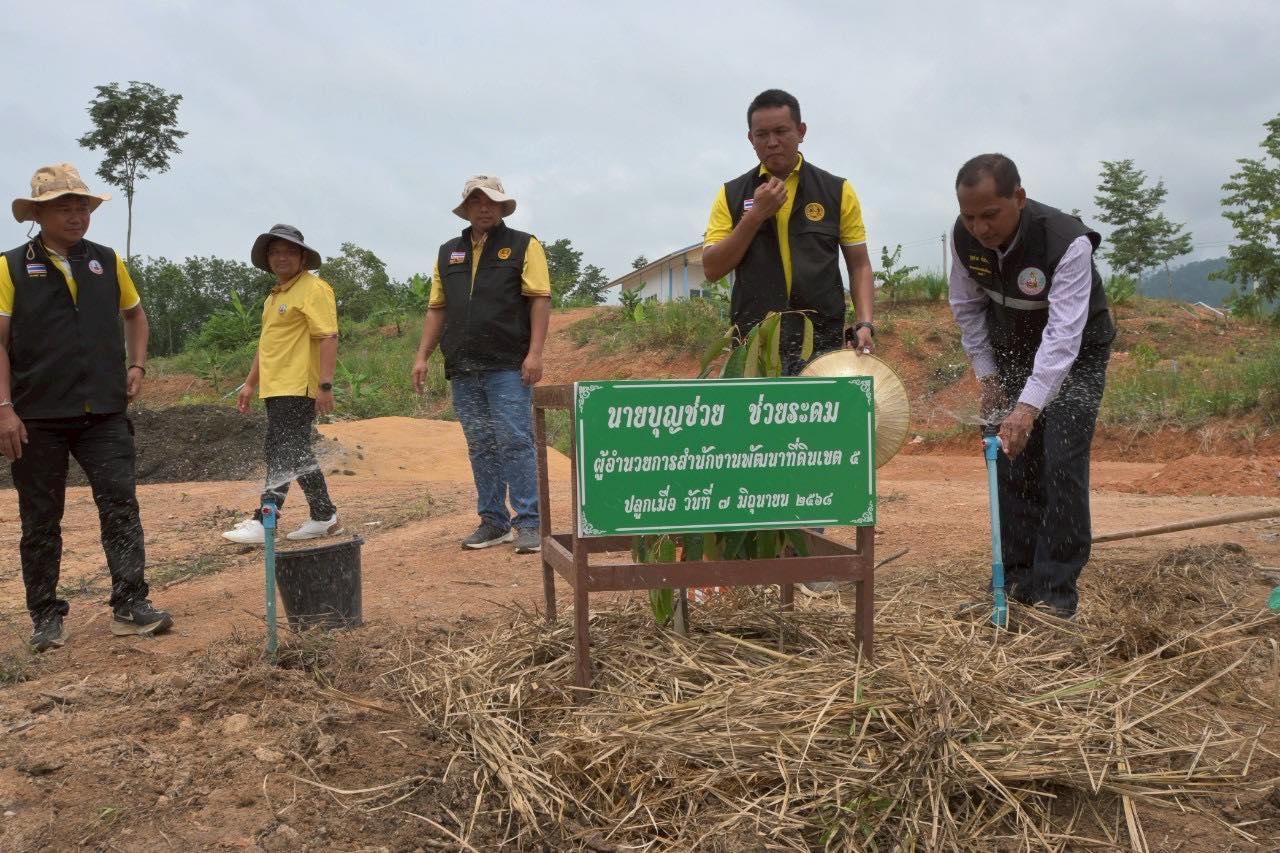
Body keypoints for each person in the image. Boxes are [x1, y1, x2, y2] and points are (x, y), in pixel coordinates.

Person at [1, 163, 173, 651]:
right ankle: (45, 616)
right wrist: (4, 408)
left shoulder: (106, 261)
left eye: (82, 207)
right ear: (38, 214)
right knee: (40, 517)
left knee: (120, 505)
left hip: (104, 412)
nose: (76, 216)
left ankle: (130, 603)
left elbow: (135, 315)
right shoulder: (10, 267)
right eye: (64, 208)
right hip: (36, 415)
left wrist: (137, 365)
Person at [948, 153, 1115, 619]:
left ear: (1018, 198)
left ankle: (1056, 594)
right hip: (1013, 352)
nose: (980, 228)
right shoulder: (964, 240)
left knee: (1061, 459)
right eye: (969, 217)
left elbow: (1063, 336)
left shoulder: (1066, 242)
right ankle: (1016, 581)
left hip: (1077, 354)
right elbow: (967, 310)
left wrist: (1027, 408)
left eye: (990, 214)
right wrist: (990, 378)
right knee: (1009, 458)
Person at [411, 176, 550, 554]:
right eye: (476, 201)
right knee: (480, 445)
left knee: (515, 441)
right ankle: (493, 521)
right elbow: (437, 308)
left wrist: (535, 353)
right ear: (467, 208)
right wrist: (422, 356)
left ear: (502, 206)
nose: (483, 207)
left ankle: (529, 523)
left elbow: (539, 299)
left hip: (508, 364)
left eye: (490, 201)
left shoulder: (523, 245)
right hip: (463, 365)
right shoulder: (448, 252)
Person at [702, 88, 876, 375]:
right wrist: (755, 216)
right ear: (751, 139)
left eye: (781, 131)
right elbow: (712, 268)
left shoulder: (837, 191)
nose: (772, 142)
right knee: (757, 407)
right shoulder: (731, 194)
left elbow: (859, 265)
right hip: (754, 345)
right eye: (762, 135)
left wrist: (865, 322)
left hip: (820, 342)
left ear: (801, 131)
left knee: (817, 406)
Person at [222, 225, 341, 545]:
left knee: (282, 451)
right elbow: (267, 346)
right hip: (275, 387)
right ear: (267, 259)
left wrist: (325, 385)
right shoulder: (274, 297)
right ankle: (324, 515)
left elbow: (328, 336)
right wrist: (250, 383)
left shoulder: (313, 288)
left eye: (289, 251)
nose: (281, 257)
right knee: (295, 452)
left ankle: (266, 520)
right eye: (275, 252)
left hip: (298, 385)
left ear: (302, 257)